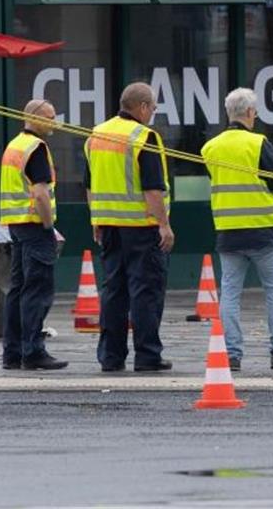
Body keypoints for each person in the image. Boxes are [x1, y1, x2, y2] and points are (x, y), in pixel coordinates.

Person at [200, 87, 273, 372]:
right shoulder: (257, 143)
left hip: (228, 232)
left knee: (230, 294)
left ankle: (231, 354)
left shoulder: (210, 148)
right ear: (251, 113)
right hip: (263, 231)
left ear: (228, 112)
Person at [85, 82, 175, 373]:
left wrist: (96, 219)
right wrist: (164, 225)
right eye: (153, 108)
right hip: (141, 227)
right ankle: (147, 356)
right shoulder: (143, 136)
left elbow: (89, 185)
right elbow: (152, 189)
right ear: (143, 107)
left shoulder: (96, 134)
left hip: (110, 227)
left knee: (113, 292)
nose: (153, 114)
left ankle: (111, 358)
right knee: (145, 292)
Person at [0, 99, 67, 371]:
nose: (53, 122)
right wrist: (49, 225)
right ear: (35, 118)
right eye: (49, 117)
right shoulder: (36, 148)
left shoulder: (14, 145)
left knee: (17, 289)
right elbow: (40, 193)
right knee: (37, 290)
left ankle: (12, 353)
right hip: (35, 225)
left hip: (16, 225)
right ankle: (33, 351)